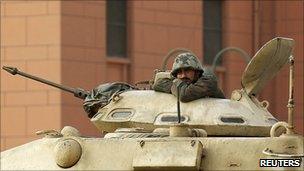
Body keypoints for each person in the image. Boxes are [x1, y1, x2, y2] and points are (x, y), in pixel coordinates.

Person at [152, 52, 225, 102]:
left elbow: (184, 95)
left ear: (197, 72)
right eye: (179, 72)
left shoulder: (208, 82)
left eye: (187, 71)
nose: (183, 76)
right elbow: (157, 84)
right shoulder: (179, 83)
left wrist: (173, 84)